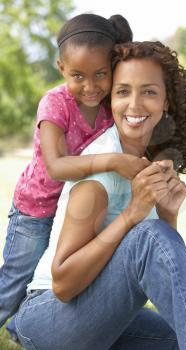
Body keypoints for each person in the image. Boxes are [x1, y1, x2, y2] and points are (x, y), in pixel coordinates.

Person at [15, 41, 186, 350]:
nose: (135, 104)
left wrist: (167, 213)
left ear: (166, 101)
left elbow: (161, 272)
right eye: (123, 91)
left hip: (101, 314)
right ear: (111, 100)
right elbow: (63, 284)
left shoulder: (149, 161)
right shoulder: (101, 170)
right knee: (147, 236)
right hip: (47, 319)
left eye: (149, 92)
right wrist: (133, 213)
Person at [0, 13, 151, 342]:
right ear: (60, 68)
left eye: (101, 74)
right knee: (15, 281)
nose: (91, 86)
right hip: (37, 209)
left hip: (74, 211)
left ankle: (21, 329)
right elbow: (56, 166)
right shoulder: (56, 104)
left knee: (54, 281)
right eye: (78, 76)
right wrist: (113, 161)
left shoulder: (110, 104)